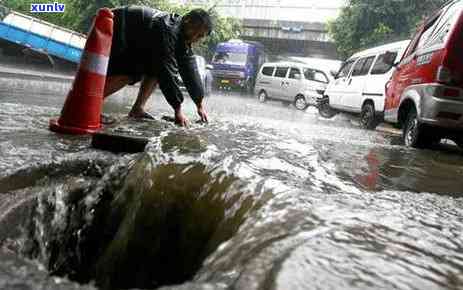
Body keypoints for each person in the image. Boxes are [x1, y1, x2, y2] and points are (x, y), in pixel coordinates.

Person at [103, 5, 212, 126]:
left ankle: (137, 109)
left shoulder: (183, 37)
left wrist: (199, 105)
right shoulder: (169, 30)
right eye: (195, 31)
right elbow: (167, 71)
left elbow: (190, 70)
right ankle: (91, 105)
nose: (195, 37)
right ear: (187, 20)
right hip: (116, 23)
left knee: (154, 71)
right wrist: (178, 110)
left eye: (200, 36)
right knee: (130, 73)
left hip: (131, 33)